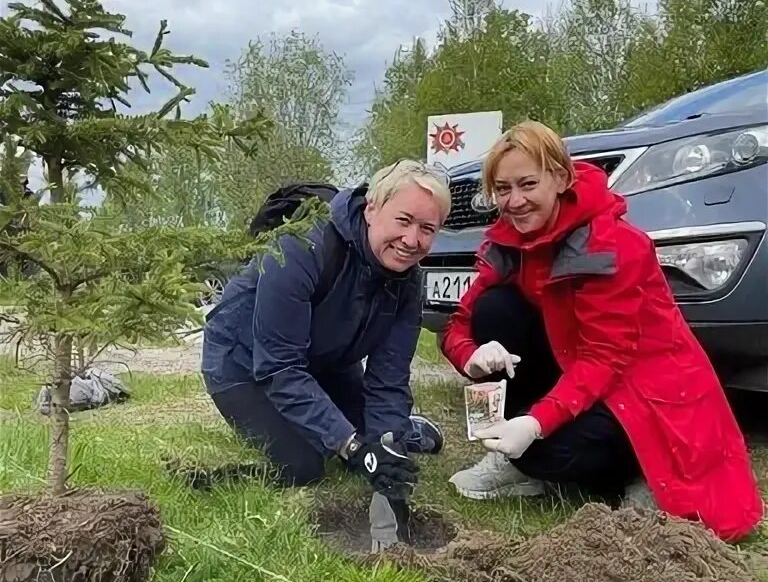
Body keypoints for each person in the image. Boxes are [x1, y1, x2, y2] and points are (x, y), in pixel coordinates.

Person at [441, 120, 763, 542]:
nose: (515, 201)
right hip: (583, 369)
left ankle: (644, 470)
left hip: (647, 386)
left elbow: (606, 358)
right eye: (503, 189)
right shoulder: (508, 243)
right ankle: (521, 462)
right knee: (495, 309)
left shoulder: (613, 244)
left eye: (527, 184)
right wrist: (471, 354)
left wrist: (535, 422)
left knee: (549, 451)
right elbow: (458, 323)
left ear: (559, 177)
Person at [201, 160, 451, 501]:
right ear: (372, 209)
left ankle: (408, 431)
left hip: (327, 360)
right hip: (244, 361)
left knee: (377, 443)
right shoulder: (302, 245)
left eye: (427, 229)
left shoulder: (408, 280)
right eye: (404, 220)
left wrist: (389, 449)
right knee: (305, 464)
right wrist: (353, 447)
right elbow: (280, 368)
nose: (412, 240)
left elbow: (389, 379)